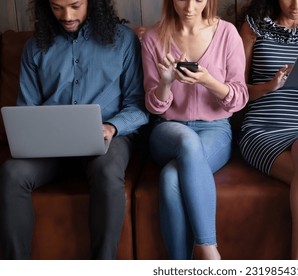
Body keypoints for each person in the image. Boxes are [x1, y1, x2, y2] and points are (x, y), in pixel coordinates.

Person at [0, 0, 149, 259]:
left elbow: (138, 106)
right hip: (50, 148)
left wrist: (112, 127)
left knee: (107, 169)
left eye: (75, 5)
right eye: (57, 7)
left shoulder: (123, 41)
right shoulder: (34, 47)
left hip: (107, 139)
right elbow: (27, 112)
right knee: (11, 173)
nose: (66, 15)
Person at [141, 0, 249, 260]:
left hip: (215, 130)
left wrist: (208, 80)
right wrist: (165, 82)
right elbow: (154, 106)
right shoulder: (153, 38)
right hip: (169, 130)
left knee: (170, 178)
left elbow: (240, 97)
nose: (190, 6)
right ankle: (208, 248)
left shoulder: (227, 33)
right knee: (187, 140)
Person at [238, 0, 298, 259]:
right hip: (261, 127)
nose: (296, 4)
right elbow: (235, 90)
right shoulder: (253, 27)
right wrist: (270, 86)